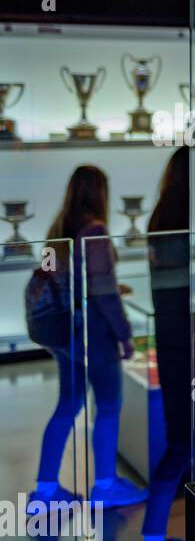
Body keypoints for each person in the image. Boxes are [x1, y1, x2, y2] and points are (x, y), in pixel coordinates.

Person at [30, 166, 146, 512]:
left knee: (68, 404)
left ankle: (45, 490)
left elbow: (70, 279)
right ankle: (106, 485)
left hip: (65, 330)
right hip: (92, 332)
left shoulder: (60, 227)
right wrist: (125, 337)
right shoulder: (95, 230)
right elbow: (103, 293)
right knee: (108, 405)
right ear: (100, 193)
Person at [138, 147, 192, 541]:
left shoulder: (161, 222)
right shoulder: (193, 228)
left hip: (177, 344)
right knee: (185, 445)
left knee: (181, 443)